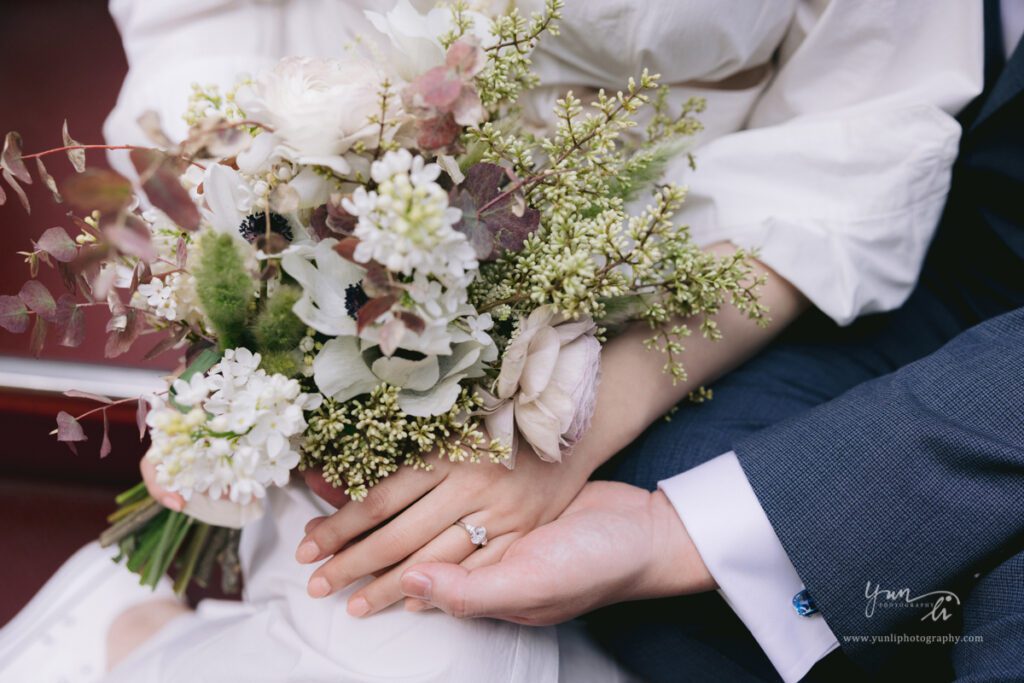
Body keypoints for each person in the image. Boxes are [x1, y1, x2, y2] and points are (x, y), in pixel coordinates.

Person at [0, 1, 983, 681]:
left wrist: (575, 410)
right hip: (332, 290)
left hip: (682, 335)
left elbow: (853, 148)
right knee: (428, 645)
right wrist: (249, 269)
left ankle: (148, 646)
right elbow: (205, 30)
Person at [390, 2, 1024, 682]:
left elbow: (850, 161)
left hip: (785, 256)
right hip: (951, 281)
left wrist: (657, 510)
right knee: (673, 527)